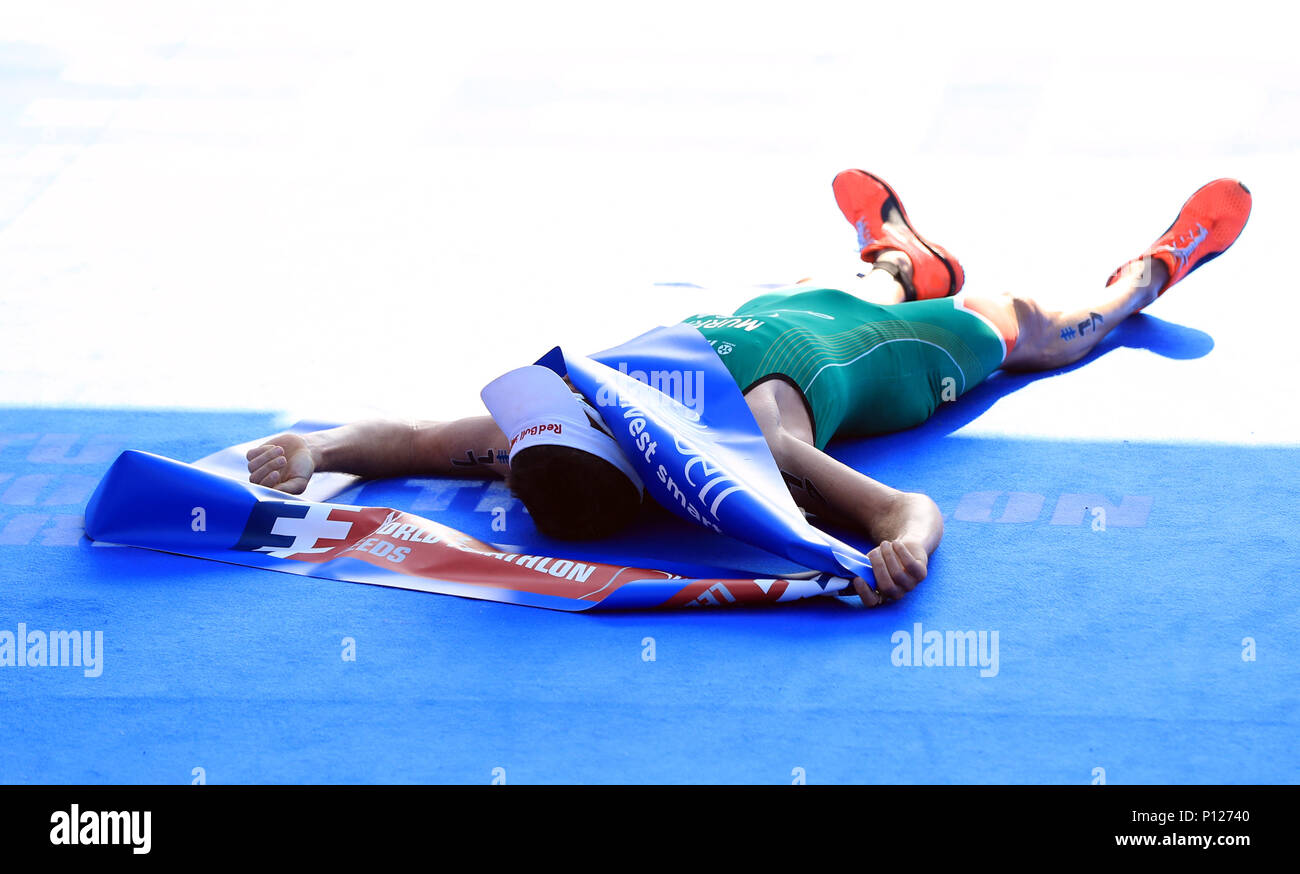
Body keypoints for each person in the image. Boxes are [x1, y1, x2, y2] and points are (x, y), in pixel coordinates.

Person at [245, 170, 1252, 606]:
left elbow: (411, 441)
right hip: (919, 341)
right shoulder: (761, 446)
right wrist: (904, 544)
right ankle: (1159, 266)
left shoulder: (573, 414)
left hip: (796, 296)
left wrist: (320, 450)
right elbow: (903, 508)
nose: (517, 436)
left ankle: (895, 249)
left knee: (842, 279)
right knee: (1051, 329)